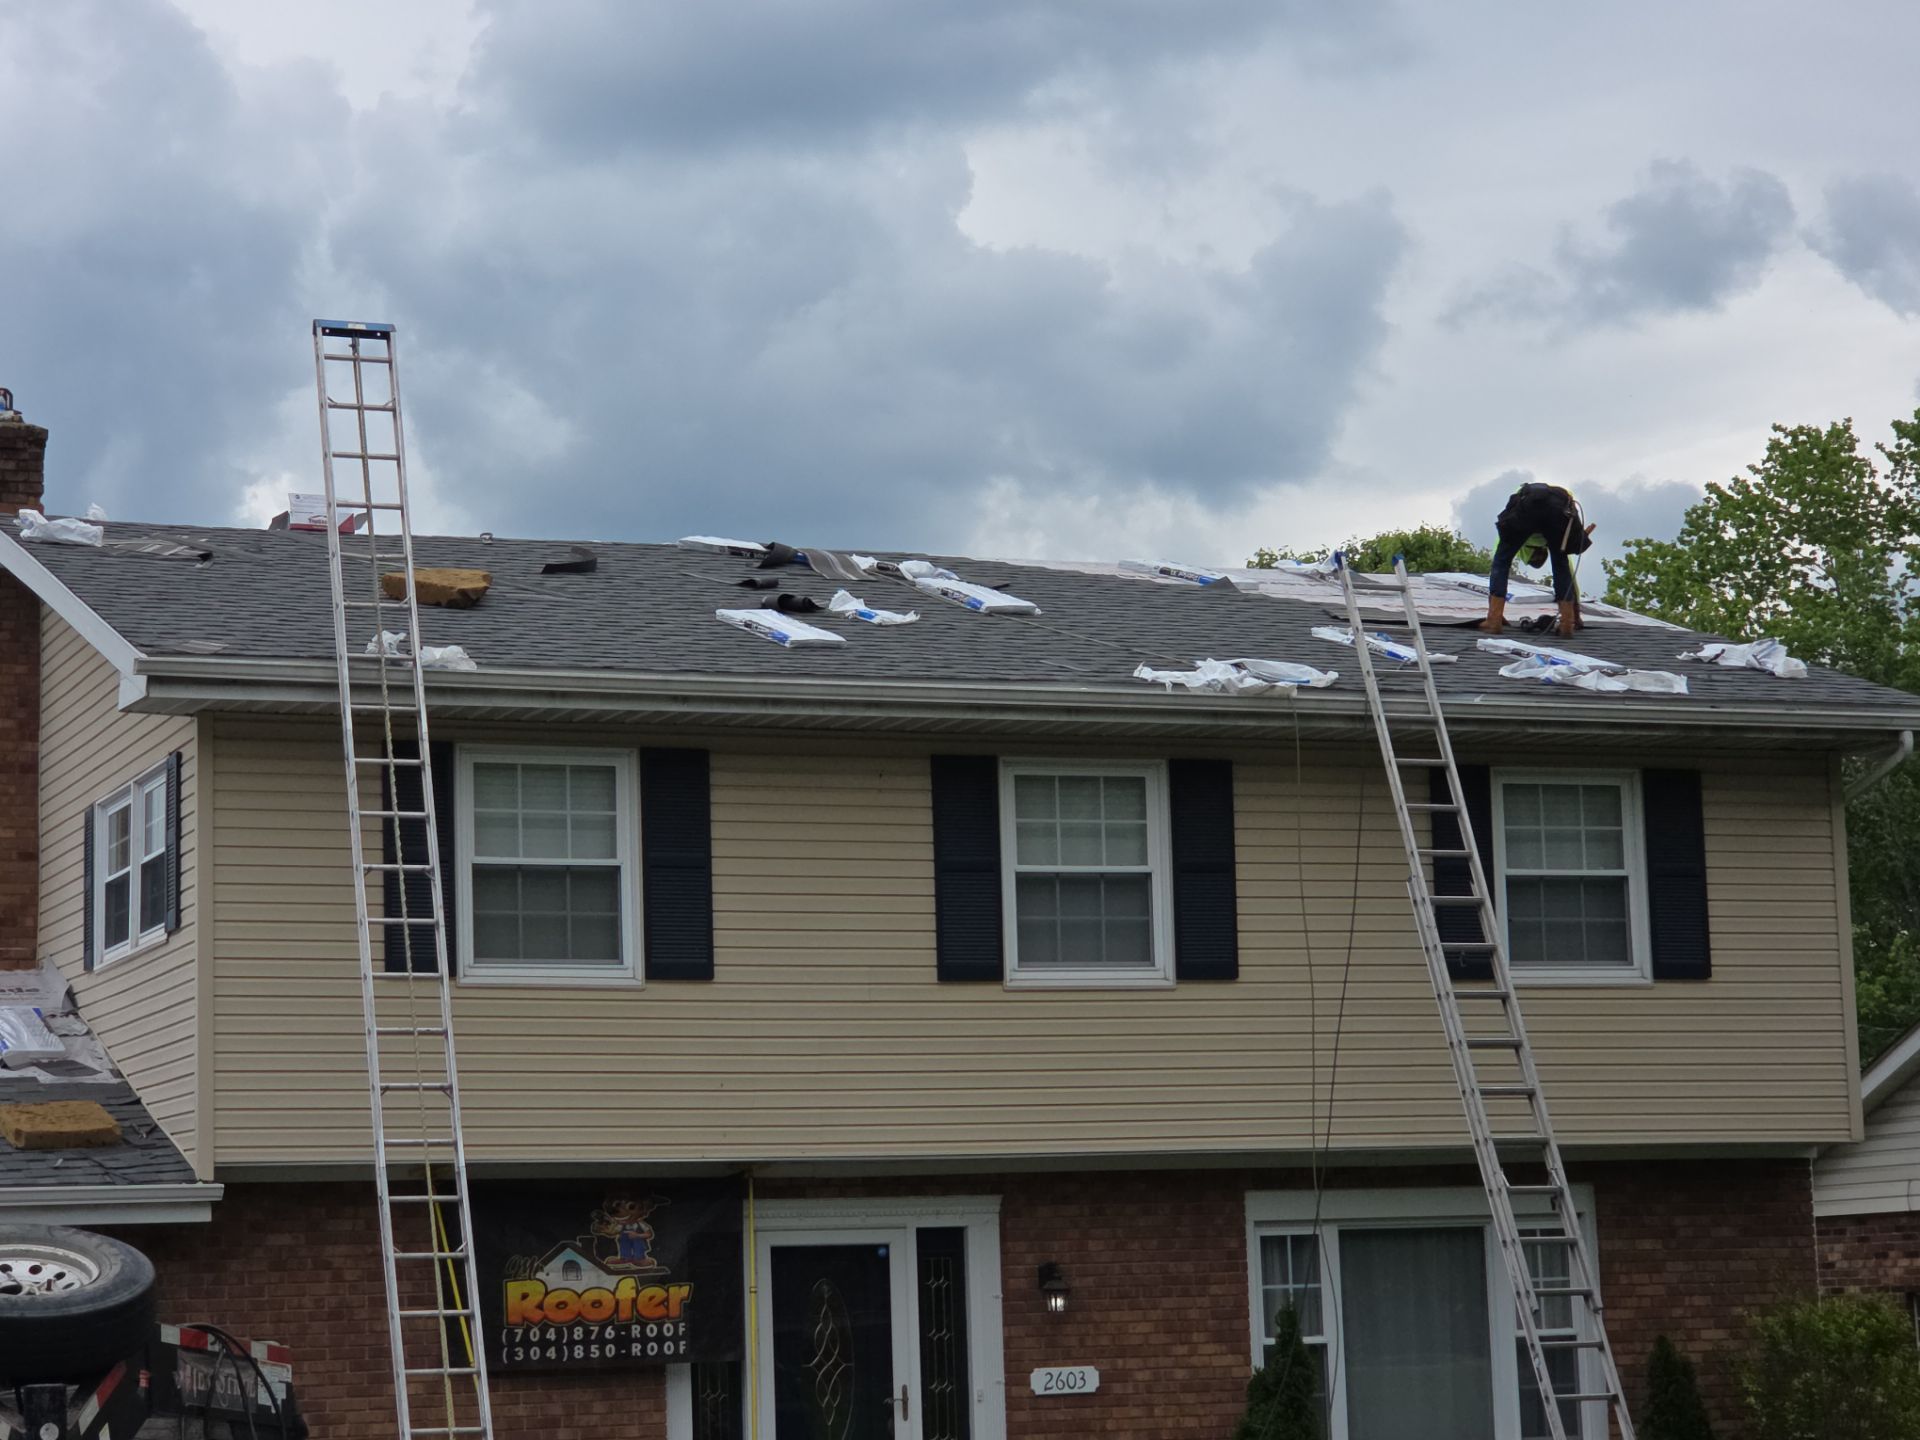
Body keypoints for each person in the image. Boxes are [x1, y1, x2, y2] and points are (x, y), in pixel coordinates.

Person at [1478, 481, 1595, 637]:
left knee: (1502, 562)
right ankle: (1567, 623)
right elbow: (1568, 573)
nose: (1539, 561)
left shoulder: (1520, 510)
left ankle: (1493, 621)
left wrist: (1497, 617)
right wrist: (1575, 617)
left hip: (1528, 510)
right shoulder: (1562, 502)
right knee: (1560, 564)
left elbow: (1498, 569)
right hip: (1558, 514)